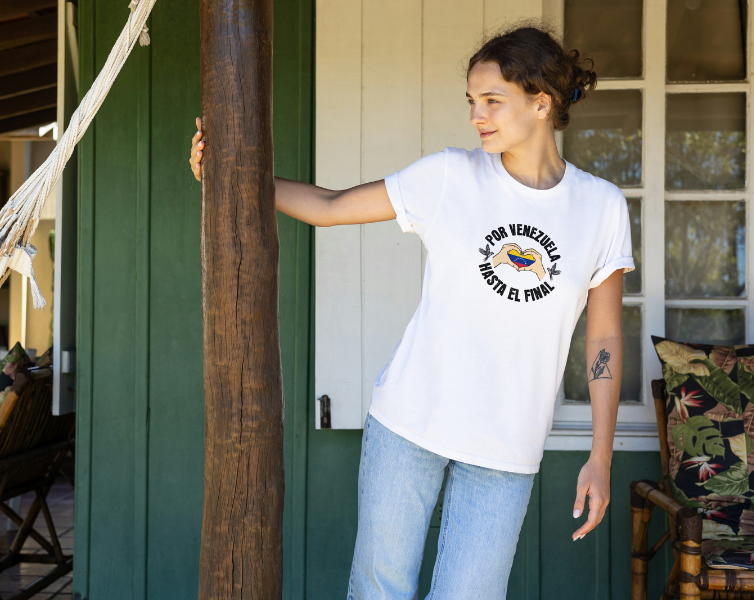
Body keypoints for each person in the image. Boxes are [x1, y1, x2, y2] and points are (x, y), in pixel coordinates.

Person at [188, 24, 633, 600]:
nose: (478, 115)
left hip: (507, 448)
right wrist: (231, 175)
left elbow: (603, 340)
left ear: (542, 102)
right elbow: (329, 206)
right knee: (380, 590)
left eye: (493, 101)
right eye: (472, 101)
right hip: (409, 425)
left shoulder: (600, 207)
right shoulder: (450, 175)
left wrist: (601, 455)